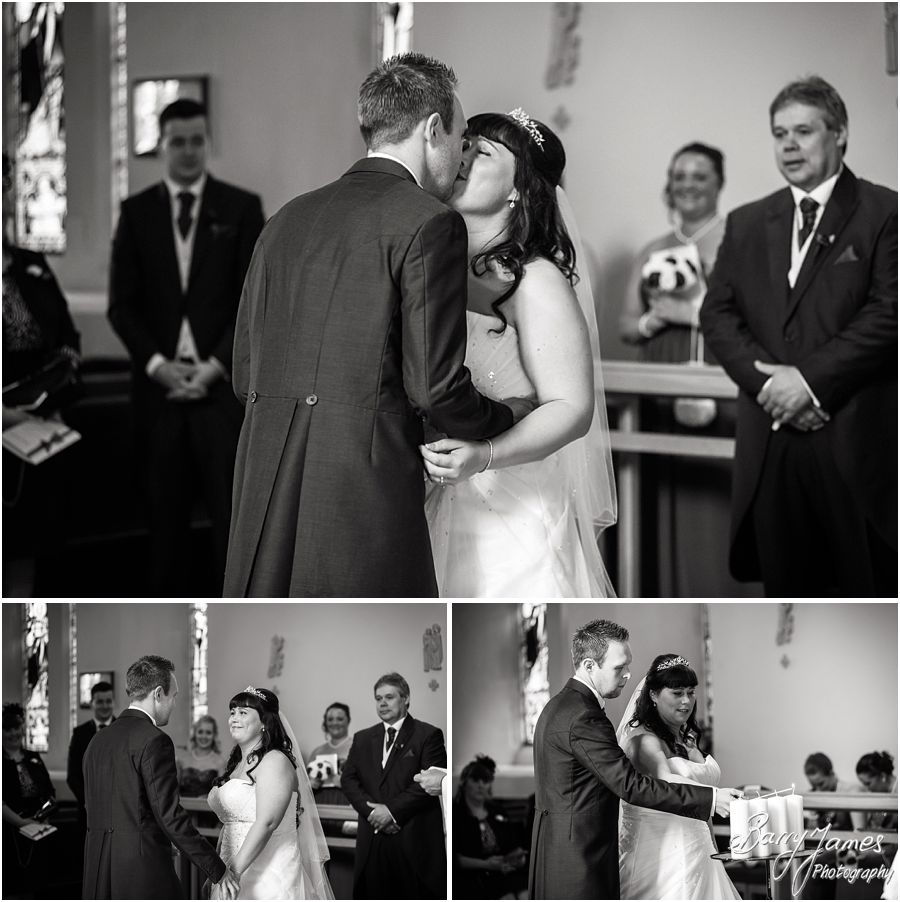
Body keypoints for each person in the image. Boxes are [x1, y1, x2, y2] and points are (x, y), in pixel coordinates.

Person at [224, 53, 519, 597]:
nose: (460, 156)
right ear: (433, 128)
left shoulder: (284, 218)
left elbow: (244, 372)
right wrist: (508, 418)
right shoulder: (430, 221)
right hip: (360, 475)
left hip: (262, 469)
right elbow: (434, 386)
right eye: (459, 138)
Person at [700, 76, 897, 597]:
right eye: (779, 133)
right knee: (787, 589)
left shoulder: (886, 212)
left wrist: (807, 382)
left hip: (852, 436)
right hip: (771, 441)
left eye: (803, 131)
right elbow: (717, 315)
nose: (789, 144)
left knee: (865, 591)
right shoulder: (745, 222)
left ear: (841, 134)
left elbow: (889, 313)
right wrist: (772, 389)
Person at [420, 109, 616, 597]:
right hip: (437, 491)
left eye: (481, 152)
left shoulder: (535, 279)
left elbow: (571, 408)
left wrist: (485, 455)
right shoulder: (429, 262)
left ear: (519, 191)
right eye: (463, 144)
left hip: (511, 502)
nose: (462, 156)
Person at [108, 98, 265, 596]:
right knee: (164, 531)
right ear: (162, 145)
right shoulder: (136, 215)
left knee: (230, 523)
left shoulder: (241, 208)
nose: (190, 150)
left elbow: (252, 300)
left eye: (198, 140)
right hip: (158, 399)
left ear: (207, 142)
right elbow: (122, 305)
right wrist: (158, 367)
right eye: (179, 141)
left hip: (221, 396)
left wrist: (216, 365)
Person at [619, 142, 755, 597]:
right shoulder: (652, 250)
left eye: (699, 175)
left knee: (719, 493)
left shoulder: (741, 242)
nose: (688, 185)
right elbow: (626, 327)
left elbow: (759, 322)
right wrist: (652, 320)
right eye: (679, 175)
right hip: (660, 376)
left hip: (719, 372)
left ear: (719, 182)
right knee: (664, 487)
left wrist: (694, 314)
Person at [528, 619, 738, 900]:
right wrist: (711, 799)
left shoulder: (560, 705)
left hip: (558, 849)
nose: (628, 675)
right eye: (619, 668)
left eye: (628, 665)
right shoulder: (583, 716)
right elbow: (632, 785)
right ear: (589, 666)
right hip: (579, 858)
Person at [82, 655, 238, 899]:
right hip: (142, 870)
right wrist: (217, 869)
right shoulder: (155, 740)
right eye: (173, 696)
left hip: (98, 867)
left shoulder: (97, 741)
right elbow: (170, 816)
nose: (174, 704)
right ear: (157, 694)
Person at [2, 151, 81, 597]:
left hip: (36, 430)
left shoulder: (31, 266)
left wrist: (47, 402)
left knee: (23, 559)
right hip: (7, 423)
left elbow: (66, 337)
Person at [616, 654, 740, 899]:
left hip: (701, 849)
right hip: (663, 855)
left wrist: (712, 844)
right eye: (677, 693)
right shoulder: (643, 740)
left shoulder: (687, 737)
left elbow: (699, 803)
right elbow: (665, 781)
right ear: (653, 694)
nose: (686, 701)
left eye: (691, 692)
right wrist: (715, 797)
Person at [208, 687, 333, 900]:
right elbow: (232, 822)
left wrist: (234, 871)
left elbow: (267, 822)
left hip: (267, 873)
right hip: (231, 867)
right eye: (232, 712)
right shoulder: (237, 764)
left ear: (264, 722)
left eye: (243, 713)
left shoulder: (275, 761)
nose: (234, 718)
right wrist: (219, 869)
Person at [341, 672, 446, 899]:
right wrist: (373, 813)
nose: (382, 703)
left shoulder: (428, 735)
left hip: (412, 836)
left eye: (389, 697)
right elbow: (348, 780)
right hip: (373, 837)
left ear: (406, 698)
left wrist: (390, 812)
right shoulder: (362, 738)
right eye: (378, 698)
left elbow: (430, 783)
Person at [453, 754, 528, 900]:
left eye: (485, 780)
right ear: (464, 782)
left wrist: (516, 858)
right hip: (474, 874)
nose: (481, 785)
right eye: (475, 780)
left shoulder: (497, 811)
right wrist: (486, 864)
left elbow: (512, 845)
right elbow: (454, 858)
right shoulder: (456, 814)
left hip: (502, 870)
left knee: (525, 893)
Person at [2, 702, 56, 898]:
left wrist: (44, 816)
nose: (13, 733)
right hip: (10, 831)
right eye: (7, 729)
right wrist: (22, 823)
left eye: (17, 728)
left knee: (38, 883)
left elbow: (49, 790)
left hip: (39, 826)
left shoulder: (33, 757)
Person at [67, 680, 115, 842]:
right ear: (92, 703)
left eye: (108, 701)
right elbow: (73, 776)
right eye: (100, 701)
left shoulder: (124, 730)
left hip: (118, 809)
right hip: (88, 811)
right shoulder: (80, 734)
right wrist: (89, 801)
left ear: (113, 702)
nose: (105, 705)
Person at [856, 752, 897, 869]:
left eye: (868, 784)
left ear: (883, 776)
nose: (868, 789)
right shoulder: (882, 795)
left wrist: (876, 852)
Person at [308, 703, 352, 803]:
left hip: (347, 802)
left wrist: (345, 782)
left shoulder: (357, 747)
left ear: (348, 720)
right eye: (330, 719)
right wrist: (310, 784)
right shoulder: (317, 751)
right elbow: (305, 783)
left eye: (340, 719)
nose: (335, 723)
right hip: (320, 802)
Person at [176, 715, 227, 796]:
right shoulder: (182, 760)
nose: (204, 736)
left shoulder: (220, 762)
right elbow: (174, 792)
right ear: (195, 734)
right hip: (183, 807)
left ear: (214, 735)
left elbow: (222, 795)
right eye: (200, 732)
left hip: (208, 808)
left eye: (208, 733)